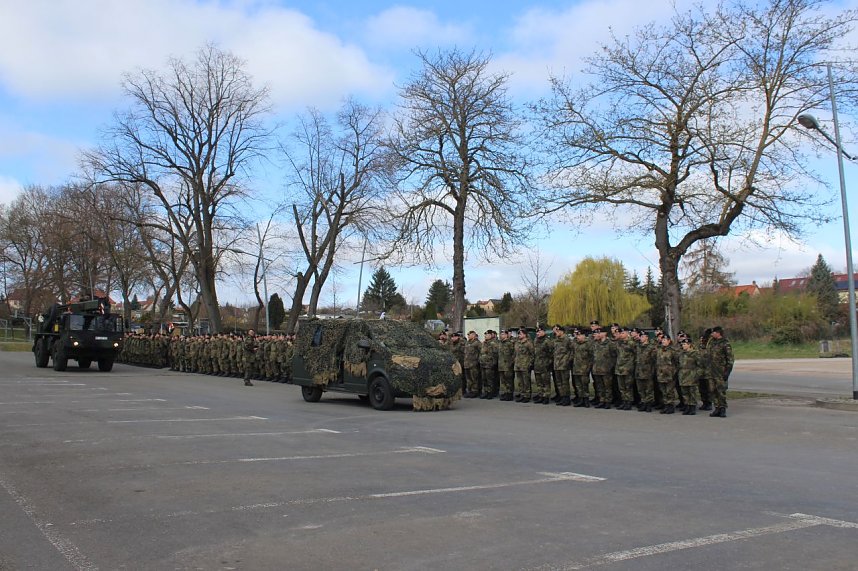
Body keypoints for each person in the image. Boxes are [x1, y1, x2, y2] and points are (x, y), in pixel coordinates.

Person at [706, 325, 734, 418]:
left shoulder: (725, 343)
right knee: (712, 390)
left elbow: (730, 359)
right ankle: (717, 407)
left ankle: (722, 408)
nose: (712, 334)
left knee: (721, 391)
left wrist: (727, 371)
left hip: (720, 371)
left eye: (713, 332)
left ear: (718, 333)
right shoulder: (712, 342)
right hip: (711, 371)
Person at [678, 338, 702, 415]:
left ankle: (692, 407)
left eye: (685, 344)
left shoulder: (695, 353)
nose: (683, 346)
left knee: (692, 392)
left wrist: (697, 375)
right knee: (685, 392)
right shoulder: (681, 354)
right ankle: (687, 406)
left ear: (689, 345)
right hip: (683, 376)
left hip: (692, 375)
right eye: (682, 344)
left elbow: (700, 365)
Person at [656, 335, 679, 414]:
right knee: (663, 391)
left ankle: (670, 406)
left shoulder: (673, 350)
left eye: (665, 340)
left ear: (669, 341)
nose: (663, 341)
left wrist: (674, 371)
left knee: (669, 391)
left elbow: (677, 362)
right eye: (662, 340)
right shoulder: (659, 350)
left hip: (669, 374)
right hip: (660, 373)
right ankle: (666, 405)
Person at [552, 325, 573, 406]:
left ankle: (566, 398)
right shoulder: (556, 340)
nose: (556, 332)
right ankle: (561, 397)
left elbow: (572, 350)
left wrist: (568, 360)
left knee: (565, 383)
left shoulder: (567, 340)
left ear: (562, 331)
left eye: (557, 331)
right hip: (557, 364)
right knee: (559, 382)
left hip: (564, 365)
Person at [533, 326, 554, 405]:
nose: (538, 333)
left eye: (539, 332)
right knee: (539, 382)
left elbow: (551, 353)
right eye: (537, 332)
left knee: (546, 382)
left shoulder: (547, 341)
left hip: (545, 365)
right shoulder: (536, 340)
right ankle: (540, 395)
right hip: (537, 364)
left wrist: (549, 363)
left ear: (543, 332)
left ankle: (546, 396)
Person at [514, 329, 534, 403]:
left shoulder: (528, 343)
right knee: (520, 381)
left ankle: (527, 395)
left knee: (526, 381)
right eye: (518, 334)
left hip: (525, 365)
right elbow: (515, 353)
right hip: (518, 365)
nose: (519, 335)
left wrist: (530, 363)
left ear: (525, 335)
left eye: (521, 334)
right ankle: (522, 394)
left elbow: (532, 354)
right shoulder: (517, 343)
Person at [479, 330, 500, 399]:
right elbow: (481, 353)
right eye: (485, 335)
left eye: (487, 335)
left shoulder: (493, 343)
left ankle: (490, 392)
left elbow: (496, 354)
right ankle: (486, 392)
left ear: (491, 335)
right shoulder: (484, 343)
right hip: (483, 364)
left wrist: (493, 363)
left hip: (489, 364)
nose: (485, 336)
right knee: (484, 379)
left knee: (490, 379)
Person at [497, 329, 516, 401]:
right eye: (501, 334)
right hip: (501, 365)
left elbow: (514, 354)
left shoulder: (510, 343)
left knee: (509, 381)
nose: (501, 335)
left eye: (503, 334)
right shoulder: (500, 343)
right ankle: (505, 392)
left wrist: (511, 362)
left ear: (506, 335)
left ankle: (509, 394)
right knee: (503, 381)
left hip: (508, 365)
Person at [463, 330, 482, 398]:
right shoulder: (467, 343)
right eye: (468, 335)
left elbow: (481, 353)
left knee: (474, 378)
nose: (468, 336)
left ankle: (475, 391)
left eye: (469, 335)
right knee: (468, 379)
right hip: (467, 364)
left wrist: (478, 361)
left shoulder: (477, 343)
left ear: (473, 335)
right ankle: (469, 391)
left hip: (473, 364)